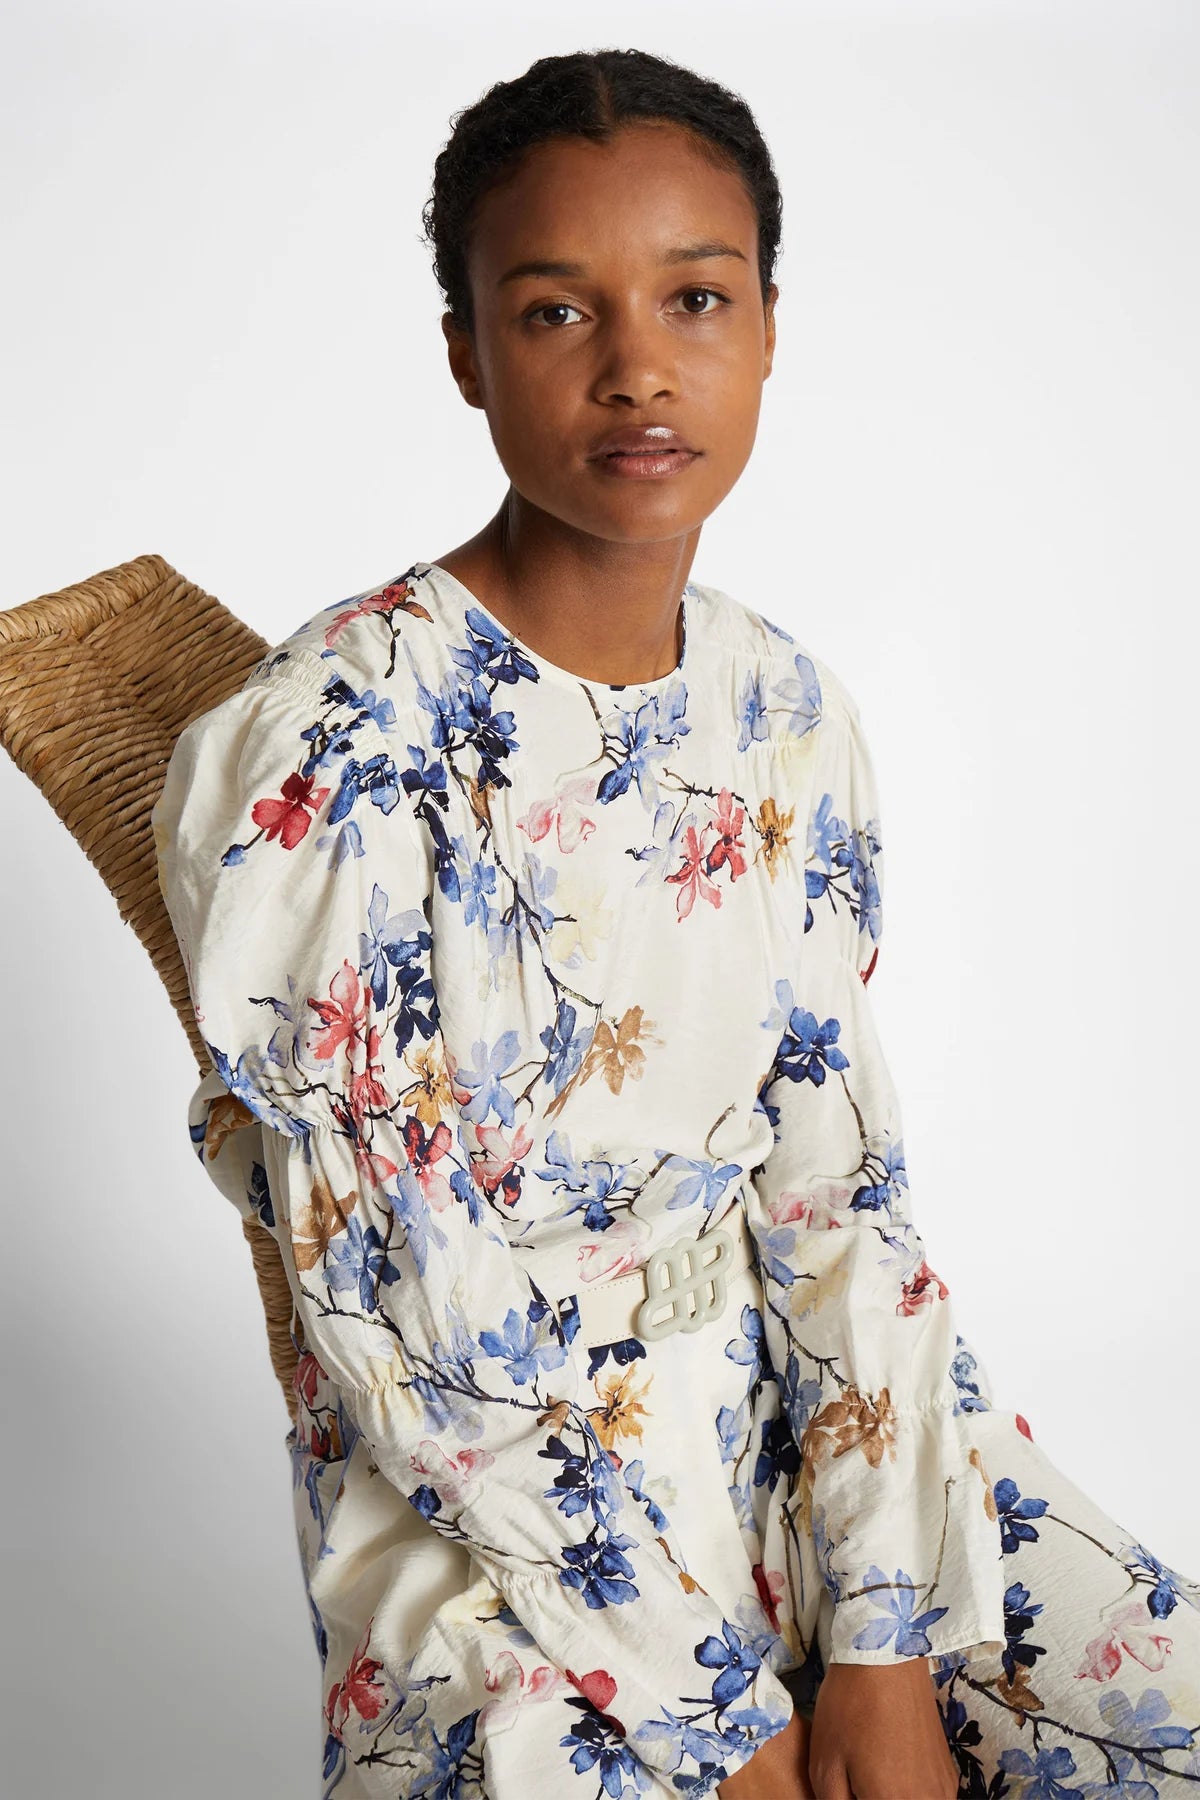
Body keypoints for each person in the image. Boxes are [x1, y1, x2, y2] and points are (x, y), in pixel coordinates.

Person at [151, 47, 1200, 1800]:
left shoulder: (786, 710)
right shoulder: (333, 745)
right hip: (493, 1523)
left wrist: (880, 1636)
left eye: (696, 297)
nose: (638, 367)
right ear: (466, 353)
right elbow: (409, 1322)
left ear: (769, 326)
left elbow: (838, 1198)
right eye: (556, 312)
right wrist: (731, 1719)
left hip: (805, 1424)